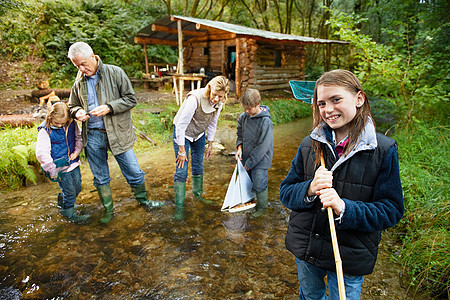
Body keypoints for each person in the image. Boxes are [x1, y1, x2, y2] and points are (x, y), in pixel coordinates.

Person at [279, 69, 404, 299]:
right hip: (306, 249)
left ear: (359, 98)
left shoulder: (383, 150)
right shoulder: (309, 145)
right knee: (310, 295)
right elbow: (285, 193)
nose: (328, 109)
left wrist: (344, 208)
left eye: (336, 99)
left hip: (349, 256)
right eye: (321, 103)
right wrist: (309, 189)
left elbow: (392, 210)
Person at [67, 41, 163, 224]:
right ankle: (108, 210)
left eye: (83, 64)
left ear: (93, 56)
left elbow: (130, 99)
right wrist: (77, 112)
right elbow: (72, 105)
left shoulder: (115, 72)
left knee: (134, 171)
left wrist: (110, 107)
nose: (80, 68)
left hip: (118, 133)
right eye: (76, 65)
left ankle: (144, 201)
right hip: (93, 135)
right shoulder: (78, 81)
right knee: (100, 177)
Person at [172, 75, 229, 220]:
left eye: (220, 96)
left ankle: (197, 196)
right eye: (215, 94)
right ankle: (179, 207)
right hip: (182, 134)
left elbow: (212, 123)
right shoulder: (194, 99)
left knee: (198, 166)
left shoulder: (219, 103)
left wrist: (210, 144)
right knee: (182, 168)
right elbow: (181, 125)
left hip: (198, 135)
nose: (216, 99)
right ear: (209, 88)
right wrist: (181, 150)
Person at [36, 102, 90, 223]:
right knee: (70, 191)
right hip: (59, 166)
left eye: (63, 123)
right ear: (50, 118)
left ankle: (63, 201)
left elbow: (78, 138)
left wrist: (77, 151)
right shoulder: (45, 130)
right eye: (57, 123)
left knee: (78, 187)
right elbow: (41, 152)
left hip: (73, 162)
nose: (60, 125)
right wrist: (52, 169)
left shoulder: (71, 124)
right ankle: (69, 213)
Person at [235, 88, 273, 217]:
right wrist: (239, 148)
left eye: (249, 109)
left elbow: (263, 146)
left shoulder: (265, 121)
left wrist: (250, 163)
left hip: (261, 160)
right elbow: (239, 134)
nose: (247, 111)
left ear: (258, 104)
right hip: (246, 158)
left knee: (259, 183)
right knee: (249, 182)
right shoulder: (243, 117)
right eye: (245, 108)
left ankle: (262, 208)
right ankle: (251, 203)